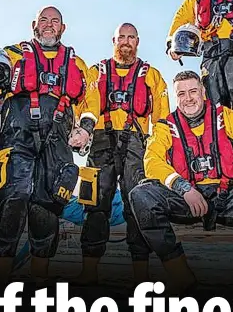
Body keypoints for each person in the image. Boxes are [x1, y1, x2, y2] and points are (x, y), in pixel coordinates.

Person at [129, 70, 233, 296]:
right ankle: (180, 275)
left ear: (203, 92)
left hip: (229, 199)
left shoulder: (224, 116)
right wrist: (182, 187)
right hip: (189, 199)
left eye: (193, 91)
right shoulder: (164, 127)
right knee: (140, 195)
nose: (189, 98)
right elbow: (152, 161)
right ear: (176, 98)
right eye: (182, 94)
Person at [0, 6, 98, 284]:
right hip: (17, 136)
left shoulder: (78, 64)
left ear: (62, 28)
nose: (48, 25)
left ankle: (39, 285)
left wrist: (85, 130)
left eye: (54, 21)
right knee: (14, 198)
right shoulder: (14, 54)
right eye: (43, 20)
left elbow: (90, 103)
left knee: (46, 207)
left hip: (58, 140)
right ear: (35, 25)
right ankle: (0, 282)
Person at [70, 23, 170, 285]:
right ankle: (89, 271)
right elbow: (82, 106)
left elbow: (162, 119)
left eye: (131, 38)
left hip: (137, 143)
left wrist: (158, 152)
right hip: (101, 142)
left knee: (136, 205)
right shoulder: (96, 72)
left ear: (137, 41)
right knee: (95, 206)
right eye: (121, 37)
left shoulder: (153, 75)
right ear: (113, 40)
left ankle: (141, 275)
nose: (125, 42)